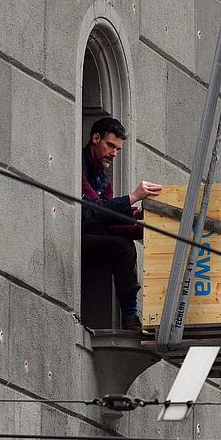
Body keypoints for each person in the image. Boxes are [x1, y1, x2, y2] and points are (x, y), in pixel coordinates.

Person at [81, 117, 162, 331]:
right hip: (73, 238)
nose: (114, 154)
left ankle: (130, 317)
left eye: (117, 149)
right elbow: (93, 211)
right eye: (110, 146)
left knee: (124, 243)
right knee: (122, 246)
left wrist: (146, 227)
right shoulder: (78, 167)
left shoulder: (101, 177)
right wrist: (133, 197)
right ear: (95, 138)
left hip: (90, 237)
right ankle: (130, 316)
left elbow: (110, 221)